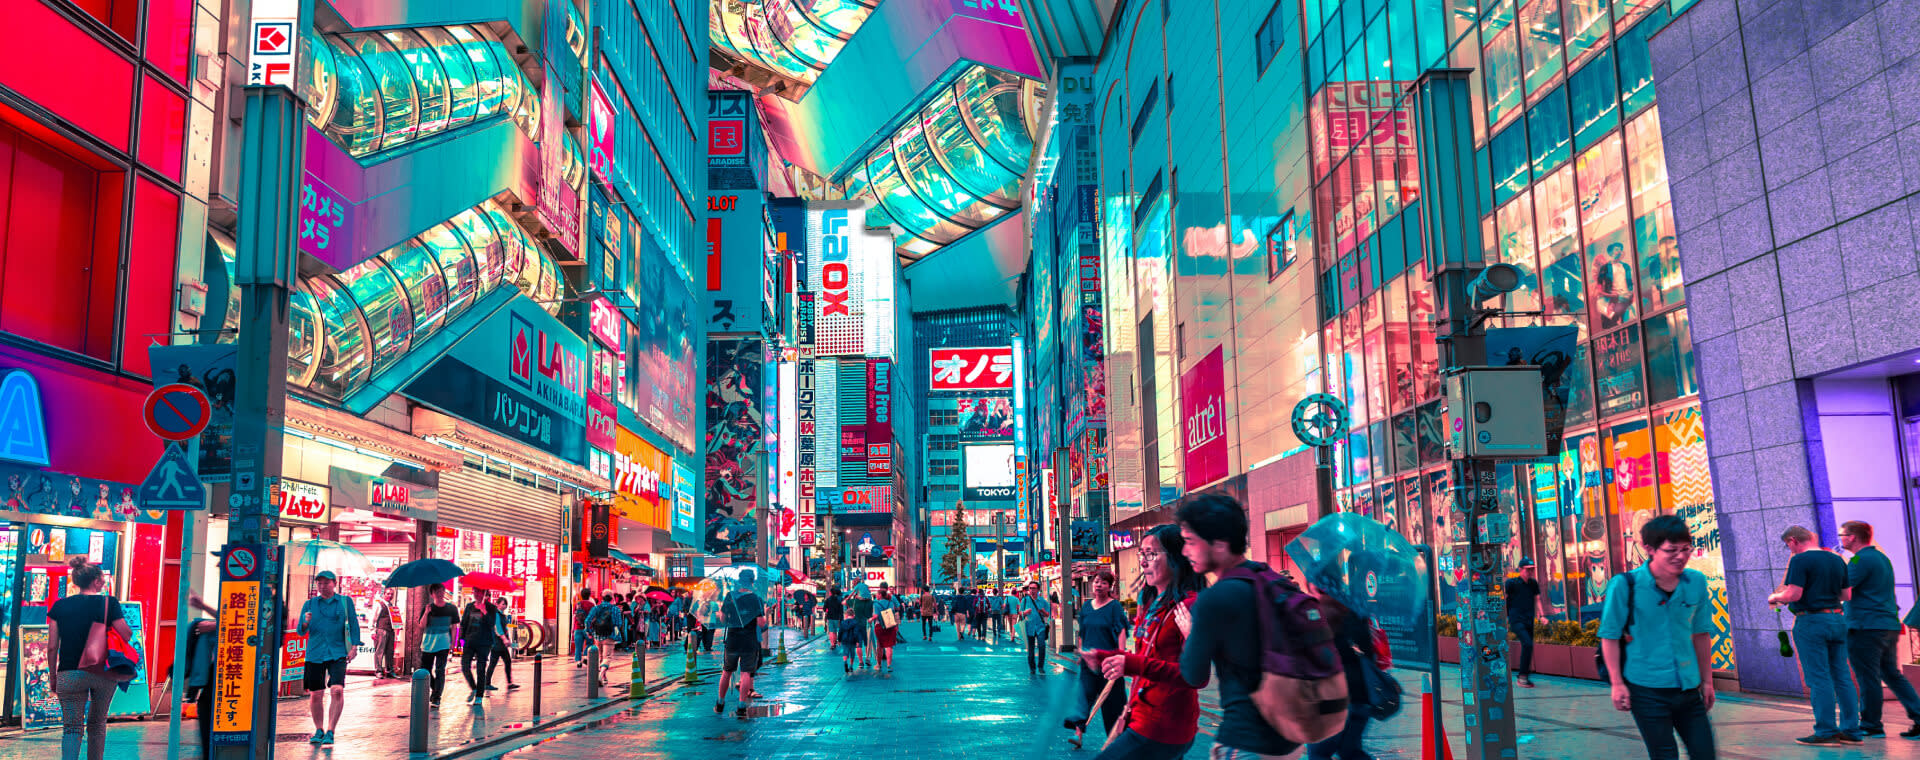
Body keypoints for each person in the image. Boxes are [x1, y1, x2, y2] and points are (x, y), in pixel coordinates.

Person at [1175, 493, 1297, 759]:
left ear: (1218, 544)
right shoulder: (1273, 581)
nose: (1185, 552)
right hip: (1290, 741)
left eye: (1190, 542)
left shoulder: (1214, 599)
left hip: (1245, 740)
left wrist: (1191, 633)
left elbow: (1193, 675)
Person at [1600, 514, 1719, 759]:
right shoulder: (1625, 585)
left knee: (1705, 752)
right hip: (1646, 688)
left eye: (1686, 549)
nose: (1681, 556)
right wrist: (1617, 684)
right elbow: (1610, 636)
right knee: (1664, 754)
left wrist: (1707, 681)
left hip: (1688, 687)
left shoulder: (1696, 582)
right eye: (1671, 550)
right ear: (1649, 549)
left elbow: (1700, 634)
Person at [1084, 525, 1205, 760]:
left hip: (1163, 725)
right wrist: (1105, 657)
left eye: (1151, 554)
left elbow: (1197, 676)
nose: (1142, 562)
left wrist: (1131, 664)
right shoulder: (1153, 603)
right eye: (1142, 553)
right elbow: (1149, 659)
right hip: (1145, 717)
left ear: (1176, 558)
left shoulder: (1189, 606)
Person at [1769, 525, 1860, 745]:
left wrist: (1775, 597)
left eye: (1788, 546)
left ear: (1793, 541)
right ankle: (1852, 731)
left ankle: (1826, 731)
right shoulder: (1836, 559)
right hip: (1837, 619)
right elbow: (1846, 595)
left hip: (1811, 621)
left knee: (1819, 677)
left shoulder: (1800, 560)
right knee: (1842, 676)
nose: (1790, 550)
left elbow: (1794, 593)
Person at [1840, 520, 1920, 738]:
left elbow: (1844, 590)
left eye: (1842, 535)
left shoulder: (1858, 559)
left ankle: (1871, 724)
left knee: (1868, 676)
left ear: (1852, 537)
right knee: (1891, 674)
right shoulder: (1881, 558)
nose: (1841, 539)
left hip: (1865, 626)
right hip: (1887, 624)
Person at [48, 556, 133, 760]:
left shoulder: (59, 606)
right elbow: (126, 634)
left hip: (68, 673)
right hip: (102, 671)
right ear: (95, 581)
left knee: (71, 728)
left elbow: (52, 647)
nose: (103, 581)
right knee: (97, 724)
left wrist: (53, 676)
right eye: (102, 578)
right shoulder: (108, 603)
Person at [1304, 584, 1383, 760]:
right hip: (1362, 697)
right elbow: (1369, 652)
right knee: (1350, 752)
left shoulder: (1319, 614)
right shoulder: (1356, 612)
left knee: (1318, 753)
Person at [296, 570, 361, 744]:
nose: (322, 586)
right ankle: (319, 729)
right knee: (316, 694)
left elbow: (353, 625)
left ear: (334, 583)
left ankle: (331, 730)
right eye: (319, 583)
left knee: (337, 690)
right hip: (315, 654)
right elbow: (300, 631)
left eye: (326, 583)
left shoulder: (345, 602)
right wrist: (305, 622)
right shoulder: (309, 604)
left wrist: (354, 647)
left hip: (337, 652)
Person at [1068, 569, 1129, 742]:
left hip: (1109, 662)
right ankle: (1078, 733)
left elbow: (1121, 631)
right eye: (1096, 581)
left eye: (1103, 582)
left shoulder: (1114, 606)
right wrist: (1081, 652)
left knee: (1112, 703)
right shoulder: (1087, 606)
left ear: (1109, 587)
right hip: (1088, 662)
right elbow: (1082, 631)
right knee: (1084, 697)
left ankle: (1116, 739)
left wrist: (1121, 656)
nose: (1099, 585)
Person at [716, 570, 767, 717]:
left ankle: (720, 702)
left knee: (726, 671)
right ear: (752, 582)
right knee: (745, 673)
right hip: (749, 641)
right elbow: (760, 623)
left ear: (739, 580)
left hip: (732, 639)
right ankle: (741, 706)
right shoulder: (755, 598)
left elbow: (723, 620)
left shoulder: (730, 596)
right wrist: (764, 615)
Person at [183, 593, 219, 754]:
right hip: (216, 670)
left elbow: (245, 620)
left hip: (231, 670)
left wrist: (217, 625)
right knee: (206, 712)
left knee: (208, 712)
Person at [1505, 558, 1546, 688]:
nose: (1530, 572)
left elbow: (1537, 599)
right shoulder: (1511, 583)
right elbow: (1504, 599)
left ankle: (1524, 676)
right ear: (1520, 569)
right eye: (1528, 570)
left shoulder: (1533, 583)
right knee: (1527, 643)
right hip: (1515, 619)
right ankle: (1522, 676)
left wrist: (1542, 616)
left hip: (1529, 619)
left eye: (1532, 569)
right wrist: (1503, 619)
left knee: (1528, 646)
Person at [459, 588, 501, 704]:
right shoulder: (469, 606)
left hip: (484, 642)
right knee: (464, 665)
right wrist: (460, 640)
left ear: (485, 594)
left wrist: (484, 611)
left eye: (480, 592)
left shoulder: (491, 608)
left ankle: (479, 696)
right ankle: (474, 688)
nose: (477, 594)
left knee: (481, 668)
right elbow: (463, 624)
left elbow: (492, 624)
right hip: (469, 641)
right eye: (476, 591)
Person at [420, 583, 457, 707]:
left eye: (441, 591)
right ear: (432, 594)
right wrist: (426, 613)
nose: (439, 594)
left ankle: (437, 697)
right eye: (436, 592)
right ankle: (436, 688)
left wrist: (453, 642)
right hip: (428, 644)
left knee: (440, 670)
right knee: (426, 670)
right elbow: (422, 625)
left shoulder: (451, 608)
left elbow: (454, 626)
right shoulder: (427, 608)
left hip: (443, 644)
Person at [584, 592, 622, 680]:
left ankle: (603, 676)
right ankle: (601, 674)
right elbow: (619, 623)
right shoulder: (615, 609)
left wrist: (589, 631)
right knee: (607, 657)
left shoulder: (596, 608)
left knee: (600, 656)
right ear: (612, 599)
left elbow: (587, 620)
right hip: (610, 635)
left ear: (602, 598)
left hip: (597, 635)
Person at [1019, 582, 1052, 673]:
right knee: (1031, 648)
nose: (1032, 590)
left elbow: (1048, 615)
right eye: (1030, 588)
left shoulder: (1043, 601)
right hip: (1029, 627)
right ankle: (1032, 668)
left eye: (1034, 588)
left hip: (1040, 627)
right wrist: (1025, 612)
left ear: (1038, 590)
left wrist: (1043, 611)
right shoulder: (1025, 600)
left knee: (1042, 646)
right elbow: (1020, 613)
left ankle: (1040, 666)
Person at [490, 599, 518, 690]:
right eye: (503, 604)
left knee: (506, 661)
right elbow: (498, 628)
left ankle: (509, 683)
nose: (504, 606)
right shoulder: (496, 615)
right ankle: (486, 683)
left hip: (502, 643)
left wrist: (508, 639)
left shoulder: (503, 615)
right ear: (497, 604)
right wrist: (505, 639)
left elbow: (505, 628)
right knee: (493, 663)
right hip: (497, 643)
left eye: (506, 604)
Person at [873, 583, 900, 672]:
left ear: (880, 594)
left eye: (877, 594)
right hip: (890, 625)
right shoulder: (891, 602)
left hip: (879, 625)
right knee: (889, 646)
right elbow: (897, 608)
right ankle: (889, 665)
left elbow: (876, 615)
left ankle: (878, 664)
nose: (876, 595)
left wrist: (870, 619)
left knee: (880, 645)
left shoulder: (876, 603)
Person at [371, 590, 397, 678]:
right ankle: (378, 671)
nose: (390, 595)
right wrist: (372, 631)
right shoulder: (379, 604)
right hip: (381, 629)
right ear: (384, 594)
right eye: (388, 594)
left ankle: (389, 670)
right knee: (380, 651)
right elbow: (373, 618)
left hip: (390, 630)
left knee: (390, 651)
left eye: (391, 594)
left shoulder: (392, 606)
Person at [852, 587, 875, 668]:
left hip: (857, 625)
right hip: (868, 624)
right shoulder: (871, 602)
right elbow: (873, 612)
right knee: (868, 643)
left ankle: (861, 662)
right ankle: (867, 659)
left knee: (858, 644)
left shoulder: (855, 601)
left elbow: (844, 602)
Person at [838, 605, 863, 674]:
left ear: (846, 615)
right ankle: (851, 666)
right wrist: (857, 641)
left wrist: (839, 640)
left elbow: (840, 632)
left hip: (844, 639)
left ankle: (845, 662)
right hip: (853, 640)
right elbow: (856, 632)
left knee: (845, 652)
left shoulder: (843, 622)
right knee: (852, 653)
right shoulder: (855, 623)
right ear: (853, 615)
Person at [571, 589, 595, 659]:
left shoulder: (577, 604)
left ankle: (578, 661)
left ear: (581, 595)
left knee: (578, 647)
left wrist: (572, 629)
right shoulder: (591, 605)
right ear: (589, 595)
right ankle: (585, 655)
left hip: (577, 627)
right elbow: (593, 617)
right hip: (588, 628)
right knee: (590, 643)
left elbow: (574, 616)